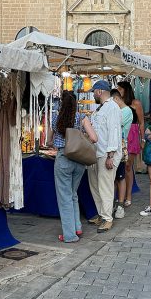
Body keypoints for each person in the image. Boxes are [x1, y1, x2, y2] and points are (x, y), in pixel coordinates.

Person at [48, 92, 98, 243]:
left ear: (61, 103)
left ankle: (70, 235)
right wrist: (82, 139)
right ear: (76, 103)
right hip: (79, 160)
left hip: (63, 158)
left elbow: (49, 141)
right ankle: (77, 227)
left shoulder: (56, 118)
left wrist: (55, 142)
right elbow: (94, 138)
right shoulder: (81, 117)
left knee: (65, 198)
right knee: (72, 194)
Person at [87, 80, 122, 233]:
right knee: (95, 186)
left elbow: (114, 131)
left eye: (93, 91)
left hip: (106, 154)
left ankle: (108, 218)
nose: (93, 94)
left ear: (99, 91)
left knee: (105, 186)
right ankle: (102, 214)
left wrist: (111, 155)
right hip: (95, 153)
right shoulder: (100, 109)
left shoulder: (112, 107)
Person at [116, 81, 145, 207]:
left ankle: (128, 195)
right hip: (120, 135)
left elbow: (141, 122)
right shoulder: (117, 103)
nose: (118, 91)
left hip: (132, 135)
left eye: (120, 89)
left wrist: (142, 139)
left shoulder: (135, 103)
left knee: (128, 166)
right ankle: (120, 195)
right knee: (120, 166)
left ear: (126, 90)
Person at [111, 89, 133, 214]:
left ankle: (120, 205)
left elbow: (116, 125)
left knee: (120, 177)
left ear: (117, 99)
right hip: (114, 145)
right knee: (114, 178)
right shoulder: (119, 110)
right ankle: (114, 202)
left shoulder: (126, 111)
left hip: (120, 145)